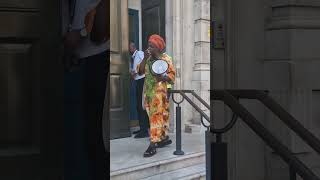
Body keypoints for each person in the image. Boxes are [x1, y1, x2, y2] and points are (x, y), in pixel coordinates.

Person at [62, 0, 108, 179]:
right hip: (78, 58)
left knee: (92, 134)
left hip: (95, 56)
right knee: (83, 133)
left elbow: (95, 32)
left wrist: (78, 31)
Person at [137, 34, 176, 157]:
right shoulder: (147, 60)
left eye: (152, 46)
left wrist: (163, 77)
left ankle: (153, 144)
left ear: (158, 48)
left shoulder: (166, 59)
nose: (149, 48)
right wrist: (144, 59)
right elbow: (140, 71)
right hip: (148, 93)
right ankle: (162, 138)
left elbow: (172, 77)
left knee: (156, 118)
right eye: (148, 45)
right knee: (159, 117)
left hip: (159, 95)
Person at [129, 41, 150, 138]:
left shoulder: (140, 53)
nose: (129, 48)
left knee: (142, 105)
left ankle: (144, 130)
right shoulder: (132, 58)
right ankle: (142, 128)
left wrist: (136, 71)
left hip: (142, 81)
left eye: (129, 46)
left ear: (133, 47)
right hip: (138, 81)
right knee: (138, 105)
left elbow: (146, 63)